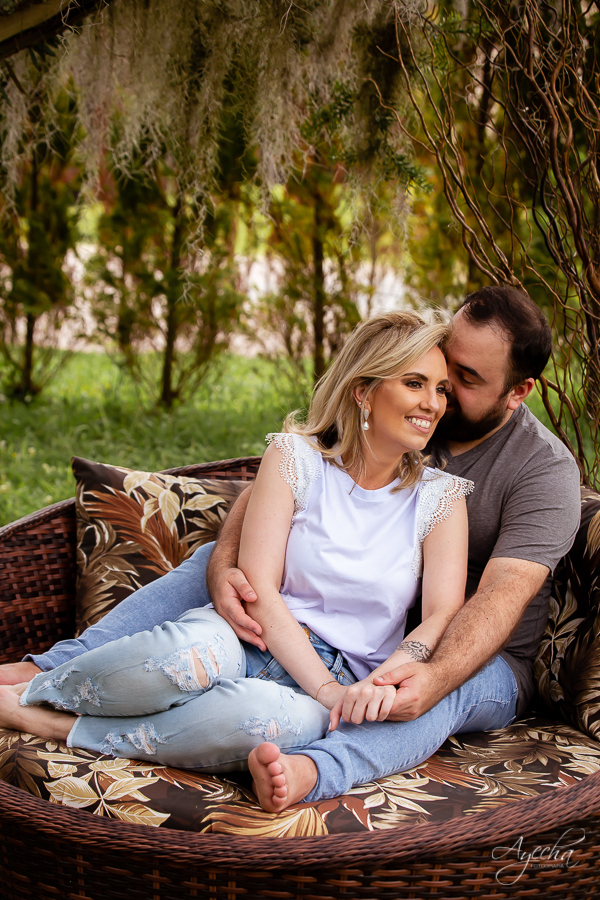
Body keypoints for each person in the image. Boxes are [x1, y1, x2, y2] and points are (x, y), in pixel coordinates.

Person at [0, 286, 582, 812]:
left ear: (519, 392)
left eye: (465, 378)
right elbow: (289, 485)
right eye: (438, 367)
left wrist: (427, 672)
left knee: (439, 691)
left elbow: (497, 602)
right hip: (340, 621)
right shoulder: (399, 414)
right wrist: (230, 565)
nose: (443, 390)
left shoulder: (538, 470)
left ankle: (315, 768)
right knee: (217, 565)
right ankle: (47, 672)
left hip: (480, 653)